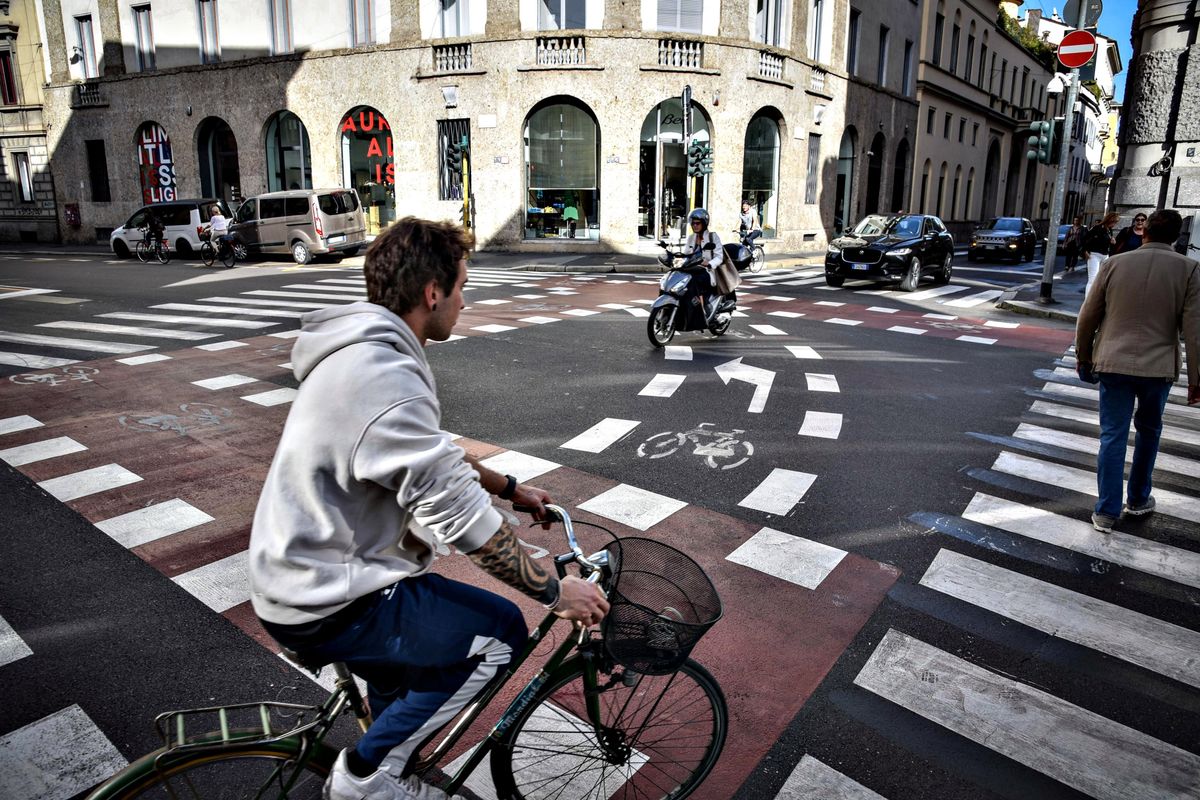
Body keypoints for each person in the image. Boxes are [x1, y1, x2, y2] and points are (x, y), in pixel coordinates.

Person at [248, 217, 609, 800]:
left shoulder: (360, 352)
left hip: (302, 574)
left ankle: (385, 762)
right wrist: (553, 591)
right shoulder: (382, 375)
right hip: (329, 596)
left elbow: (426, 452)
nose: (465, 301)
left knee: (408, 679)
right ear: (433, 292)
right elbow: (459, 518)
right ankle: (366, 779)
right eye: (462, 286)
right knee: (499, 632)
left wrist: (508, 486)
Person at [1075, 208, 1200, 534]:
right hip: (1157, 368)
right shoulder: (1189, 269)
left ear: (1144, 232)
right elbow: (1194, 329)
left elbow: (1088, 316)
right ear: (1176, 237)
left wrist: (1083, 357)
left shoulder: (1114, 264)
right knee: (1149, 431)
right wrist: (1196, 379)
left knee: (1112, 435)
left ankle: (1106, 512)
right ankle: (1139, 498)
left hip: (1113, 362)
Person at [683, 207, 734, 321]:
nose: (694, 226)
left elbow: (719, 257)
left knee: (696, 280)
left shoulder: (712, 237)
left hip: (709, 271)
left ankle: (702, 310)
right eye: (693, 223)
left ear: (704, 224)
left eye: (697, 223)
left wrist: (709, 264)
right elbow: (686, 254)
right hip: (693, 269)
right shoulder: (691, 238)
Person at [1081, 212, 1119, 296]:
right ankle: (1088, 299)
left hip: (1105, 255)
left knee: (1102, 279)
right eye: (1114, 222)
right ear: (1109, 220)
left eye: (1116, 222)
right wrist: (1085, 250)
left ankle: (1096, 298)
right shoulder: (1097, 228)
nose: (1115, 224)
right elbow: (1085, 239)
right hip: (1094, 255)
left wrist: (1112, 242)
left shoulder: (1109, 230)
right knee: (1093, 279)